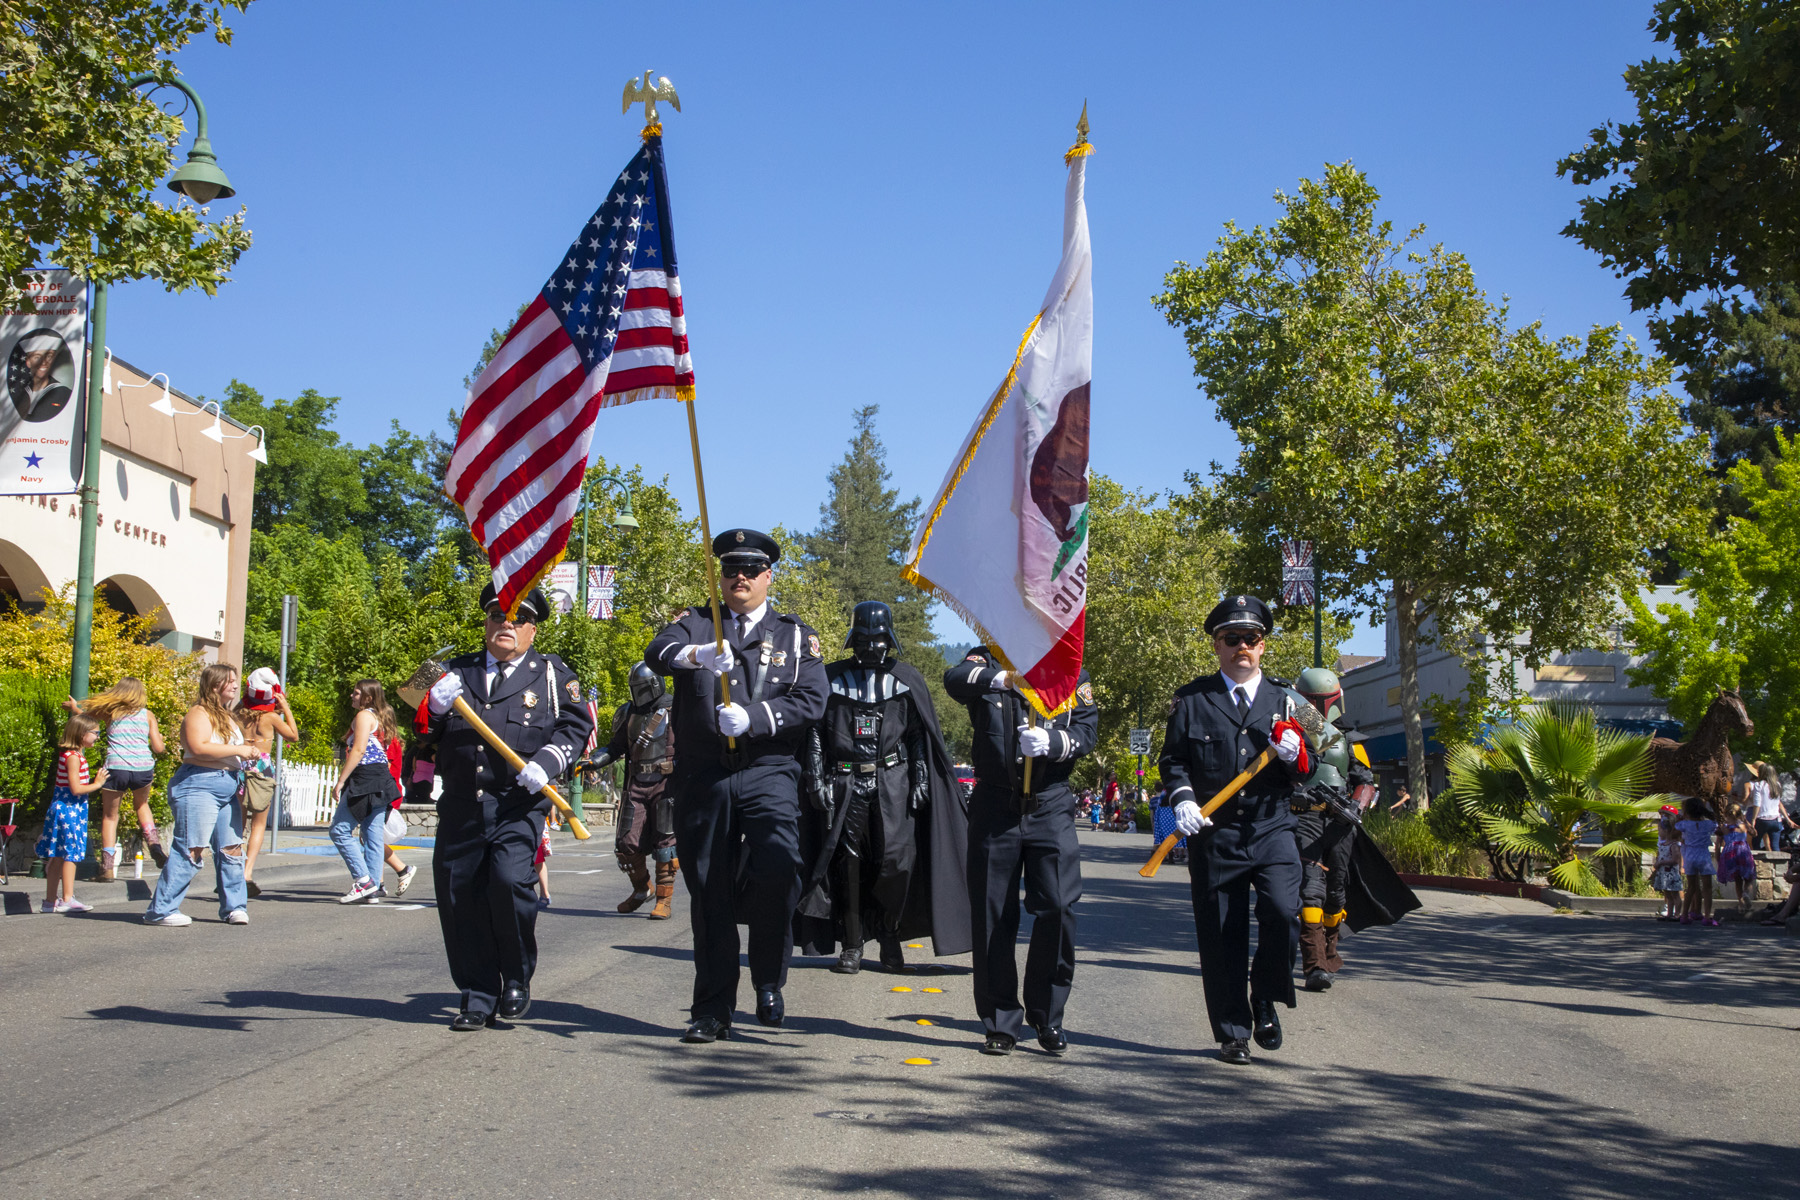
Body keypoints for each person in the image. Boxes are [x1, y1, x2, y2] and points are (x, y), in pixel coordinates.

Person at [645, 529, 828, 1043]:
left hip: (767, 770)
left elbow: (812, 700)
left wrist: (757, 717)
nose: (739, 578)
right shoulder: (696, 623)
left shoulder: (794, 635)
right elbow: (657, 650)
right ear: (720, 577)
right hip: (705, 774)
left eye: (751, 569)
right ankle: (712, 1008)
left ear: (769, 576)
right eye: (730, 570)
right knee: (709, 892)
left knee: (777, 869)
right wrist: (697, 655)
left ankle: (768, 980)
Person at [418, 583, 593, 1031]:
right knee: (461, 900)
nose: (506, 625)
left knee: (510, 884)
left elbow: (575, 728)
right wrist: (434, 710)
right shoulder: (454, 673)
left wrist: (548, 762)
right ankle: (477, 993)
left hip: (518, 804)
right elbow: (421, 737)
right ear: (486, 622)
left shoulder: (551, 674)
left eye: (517, 618)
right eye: (497, 616)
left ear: (533, 627)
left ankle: (515, 978)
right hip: (461, 805)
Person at [1160, 594, 1318, 1065]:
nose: (1242, 648)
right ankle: (1233, 1031)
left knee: (1283, 912)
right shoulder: (1191, 700)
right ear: (1217, 645)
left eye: (1251, 639)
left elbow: (1322, 761)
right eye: (1232, 639)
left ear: (1263, 646)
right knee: (1221, 933)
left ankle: (1266, 994)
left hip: (1272, 829)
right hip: (1216, 833)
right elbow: (1173, 762)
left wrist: (1295, 756)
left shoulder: (1290, 701)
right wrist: (1182, 799)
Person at [795, 600, 968, 975]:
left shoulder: (905, 680)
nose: (871, 647)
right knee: (848, 866)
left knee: (897, 863)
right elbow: (815, 733)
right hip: (843, 780)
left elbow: (919, 735)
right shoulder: (830, 678)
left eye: (877, 640)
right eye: (864, 639)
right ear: (853, 639)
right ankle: (852, 945)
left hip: (894, 782)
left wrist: (922, 778)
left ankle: (889, 935)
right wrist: (814, 778)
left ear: (889, 640)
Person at [944, 645, 1097, 1057]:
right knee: (993, 914)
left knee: (1060, 907)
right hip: (996, 802)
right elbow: (954, 680)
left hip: (1050, 802)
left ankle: (1047, 1015)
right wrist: (1004, 679)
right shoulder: (986, 661)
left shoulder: (1069, 670)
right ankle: (1000, 1019)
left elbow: (1086, 731)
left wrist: (1052, 741)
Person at [143, 665, 255, 927]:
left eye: (236, 681)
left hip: (228, 782)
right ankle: (160, 910)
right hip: (199, 783)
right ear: (215, 684)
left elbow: (225, 749)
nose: (235, 686)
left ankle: (234, 907)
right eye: (230, 681)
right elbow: (197, 747)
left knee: (232, 849)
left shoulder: (226, 716)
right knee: (191, 848)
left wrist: (244, 753)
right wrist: (238, 748)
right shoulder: (199, 713)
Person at [591, 662, 680, 920]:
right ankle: (642, 889)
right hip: (637, 783)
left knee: (666, 844)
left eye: (640, 689)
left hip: (666, 785)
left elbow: (694, 747)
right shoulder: (627, 712)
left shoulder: (678, 710)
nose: (637, 694)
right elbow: (615, 747)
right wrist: (594, 760)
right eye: (635, 689)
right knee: (626, 846)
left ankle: (664, 900)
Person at [64, 677, 166, 878]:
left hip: (116, 767)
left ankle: (108, 868)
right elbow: (158, 748)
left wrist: (75, 707)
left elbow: (84, 717)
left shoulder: (110, 712)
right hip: (143, 767)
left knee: (110, 817)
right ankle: (154, 845)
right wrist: (160, 739)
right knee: (142, 805)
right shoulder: (148, 715)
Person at [328, 680, 397, 905]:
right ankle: (373, 889)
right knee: (373, 835)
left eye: (357, 693)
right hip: (380, 779)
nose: (352, 695)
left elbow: (358, 750)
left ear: (368, 697)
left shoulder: (363, 717)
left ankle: (363, 880)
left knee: (339, 829)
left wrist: (340, 782)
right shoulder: (379, 717)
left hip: (365, 778)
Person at [36, 712, 108, 913]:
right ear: (81, 734)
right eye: (95, 733)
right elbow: (76, 788)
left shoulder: (70, 754)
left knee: (58, 856)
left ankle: (50, 901)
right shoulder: (74, 758)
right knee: (70, 855)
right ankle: (67, 899)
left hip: (64, 810)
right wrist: (97, 784)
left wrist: (77, 709)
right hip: (69, 810)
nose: (98, 737)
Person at [236, 668, 298, 899]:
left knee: (237, 823)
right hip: (261, 767)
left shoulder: (237, 713)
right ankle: (247, 873)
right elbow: (293, 736)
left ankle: (232, 869)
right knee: (259, 824)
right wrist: (286, 709)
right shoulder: (270, 718)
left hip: (239, 763)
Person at [1675, 796, 1718, 926]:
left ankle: (1684, 915)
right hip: (1703, 855)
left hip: (1690, 856)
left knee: (1691, 887)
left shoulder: (1684, 824)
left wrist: (1682, 817)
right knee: (1707, 887)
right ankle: (1707, 916)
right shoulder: (1708, 824)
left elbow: (1677, 826)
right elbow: (1716, 824)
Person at [1715, 803, 1757, 916]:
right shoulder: (1743, 825)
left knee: (1737, 879)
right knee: (1748, 878)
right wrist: (1746, 821)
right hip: (1743, 851)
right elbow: (1754, 833)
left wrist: (1718, 859)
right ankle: (1746, 893)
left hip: (1730, 853)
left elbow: (1718, 845)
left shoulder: (1723, 827)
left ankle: (1741, 904)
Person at [1650, 806, 1685, 921]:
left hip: (1671, 873)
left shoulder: (1674, 845)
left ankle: (1677, 914)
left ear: (1666, 831)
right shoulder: (1664, 844)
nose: (1659, 832)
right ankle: (1669, 913)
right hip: (1664, 873)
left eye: (1660, 830)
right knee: (1668, 894)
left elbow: (1675, 859)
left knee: (1675, 894)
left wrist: (1662, 862)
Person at [1747, 763, 1790, 852]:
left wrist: (1753, 819)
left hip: (1762, 819)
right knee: (1775, 846)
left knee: (1756, 844)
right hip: (1776, 820)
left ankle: (1759, 865)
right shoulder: (1777, 785)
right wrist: (1787, 818)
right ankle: (1776, 865)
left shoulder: (1759, 785)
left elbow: (1757, 804)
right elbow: (1778, 803)